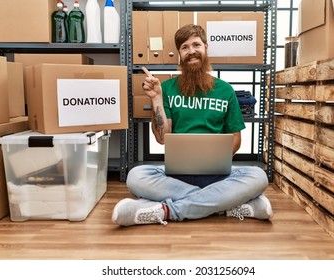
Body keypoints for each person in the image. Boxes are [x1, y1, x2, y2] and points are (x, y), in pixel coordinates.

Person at [112, 24, 273, 226]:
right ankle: (224, 204)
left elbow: (236, 139)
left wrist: (215, 157)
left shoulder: (225, 90)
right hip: (176, 177)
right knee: (135, 176)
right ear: (179, 54)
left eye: (196, 44)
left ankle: (167, 210)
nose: (191, 51)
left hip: (218, 176)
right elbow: (162, 138)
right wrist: (156, 100)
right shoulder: (167, 89)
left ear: (206, 48)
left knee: (258, 176)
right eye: (185, 47)